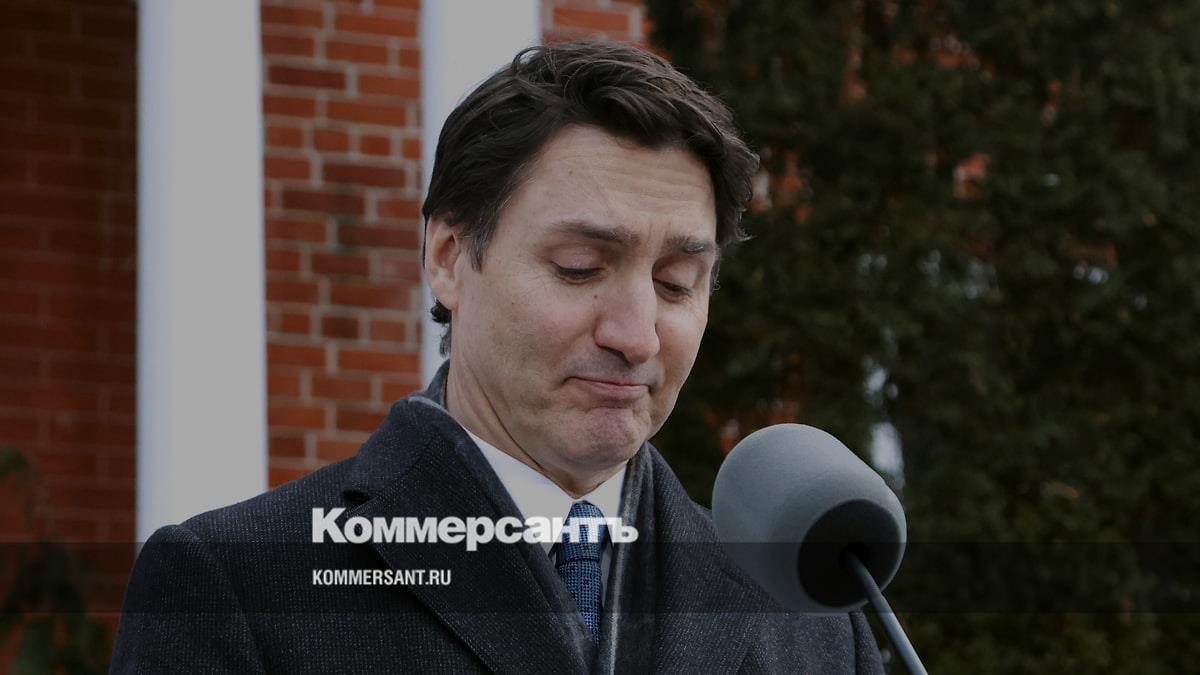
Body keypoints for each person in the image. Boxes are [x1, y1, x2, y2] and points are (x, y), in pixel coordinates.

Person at [111, 40, 884, 674]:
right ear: (449, 257)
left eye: (676, 283)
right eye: (580, 267)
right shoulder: (236, 588)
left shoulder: (812, 614)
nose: (638, 335)